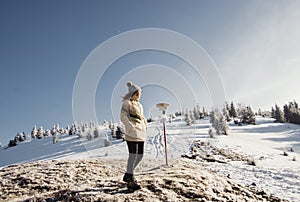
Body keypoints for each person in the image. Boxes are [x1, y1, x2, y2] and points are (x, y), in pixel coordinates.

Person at [120, 81, 147, 190]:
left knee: (140, 156)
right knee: (133, 155)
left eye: (140, 93)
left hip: (141, 133)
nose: (139, 95)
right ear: (133, 93)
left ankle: (128, 174)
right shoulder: (127, 103)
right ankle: (130, 180)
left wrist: (145, 124)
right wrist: (130, 127)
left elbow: (141, 117)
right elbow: (123, 116)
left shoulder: (139, 105)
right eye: (138, 93)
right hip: (131, 132)